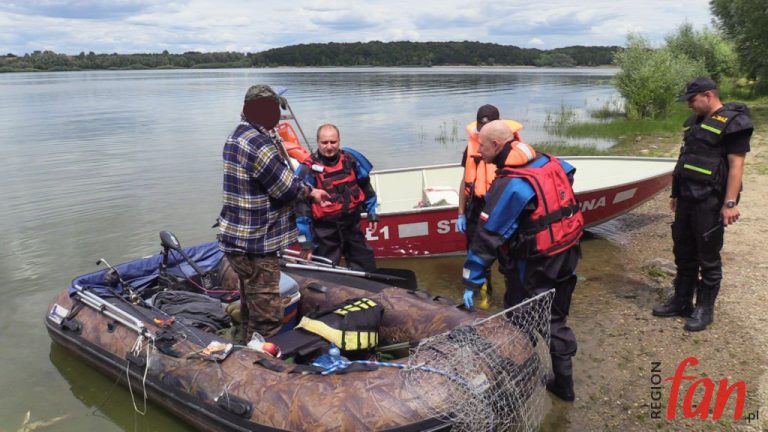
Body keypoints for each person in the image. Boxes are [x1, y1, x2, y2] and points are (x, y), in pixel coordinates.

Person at [461, 120, 584, 401]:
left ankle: (537, 382)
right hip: (567, 252)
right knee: (557, 313)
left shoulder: (512, 185)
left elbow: (487, 237)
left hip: (537, 263)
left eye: (481, 146)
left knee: (521, 317)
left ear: (496, 145)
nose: (478, 151)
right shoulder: (550, 161)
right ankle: (558, 380)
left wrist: (471, 280)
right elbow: (569, 174)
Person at [217, 85, 330, 342]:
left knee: (250, 303)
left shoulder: (237, 136)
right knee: (268, 314)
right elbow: (286, 188)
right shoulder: (260, 143)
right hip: (257, 244)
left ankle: (246, 345)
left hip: (236, 240)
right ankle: (264, 365)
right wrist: (312, 192)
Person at [652, 77, 752, 332]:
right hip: (687, 197)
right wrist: (675, 193)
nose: (689, 106)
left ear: (708, 95)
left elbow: (737, 166)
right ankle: (681, 301)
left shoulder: (733, 122)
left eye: (692, 100)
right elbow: (686, 158)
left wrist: (730, 203)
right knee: (683, 252)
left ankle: (705, 309)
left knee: (708, 256)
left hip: (710, 200)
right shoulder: (697, 121)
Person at [295, 124, 378, 271]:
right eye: (324, 142)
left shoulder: (351, 160)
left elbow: (366, 187)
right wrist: (306, 242)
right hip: (325, 230)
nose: (329, 147)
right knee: (326, 272)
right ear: (317, 142)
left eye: (333, 142)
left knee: (366, 264)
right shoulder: (307, 169)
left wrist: (372, 213)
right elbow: (301, 209)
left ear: (339, 141)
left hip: (351, 223)